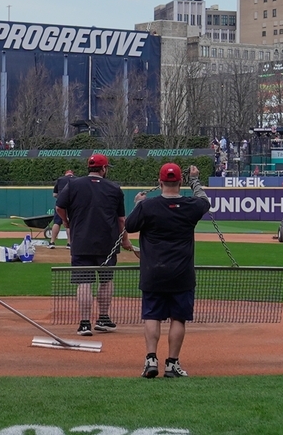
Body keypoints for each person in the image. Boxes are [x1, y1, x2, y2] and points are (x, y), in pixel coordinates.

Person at [126, 164, 208, 379]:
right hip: (181, 272)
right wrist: (196, 180)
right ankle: (172, 363)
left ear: (160, 182)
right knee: (178, 318)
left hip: (153, 271)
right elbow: (205, 202)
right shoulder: (191, 206)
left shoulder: (147, 206)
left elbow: (130, 226)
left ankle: (151, 359)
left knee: (152, 316)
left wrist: (138, 204)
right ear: (180, 182)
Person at [56, 153, 134, 337]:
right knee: (106, 280)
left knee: (84, 282)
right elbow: (121, 220)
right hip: (107, 242)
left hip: (81, 240)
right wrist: (124, 240)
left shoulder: (73, 184)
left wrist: (66, 223)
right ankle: (103, 318)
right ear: (104, 168)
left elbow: (59, 207)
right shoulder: (114, 188)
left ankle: (84, 324)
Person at [50, 169, 75, 246]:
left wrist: (61, 197)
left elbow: (54, 194)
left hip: (60, 203)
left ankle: (52, 242)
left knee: (57, 222)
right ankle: (69, 243)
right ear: (72, 174)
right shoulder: (76, 180)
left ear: (65, 174)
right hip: (71, 204)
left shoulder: (60, 179)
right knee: (69, 223)